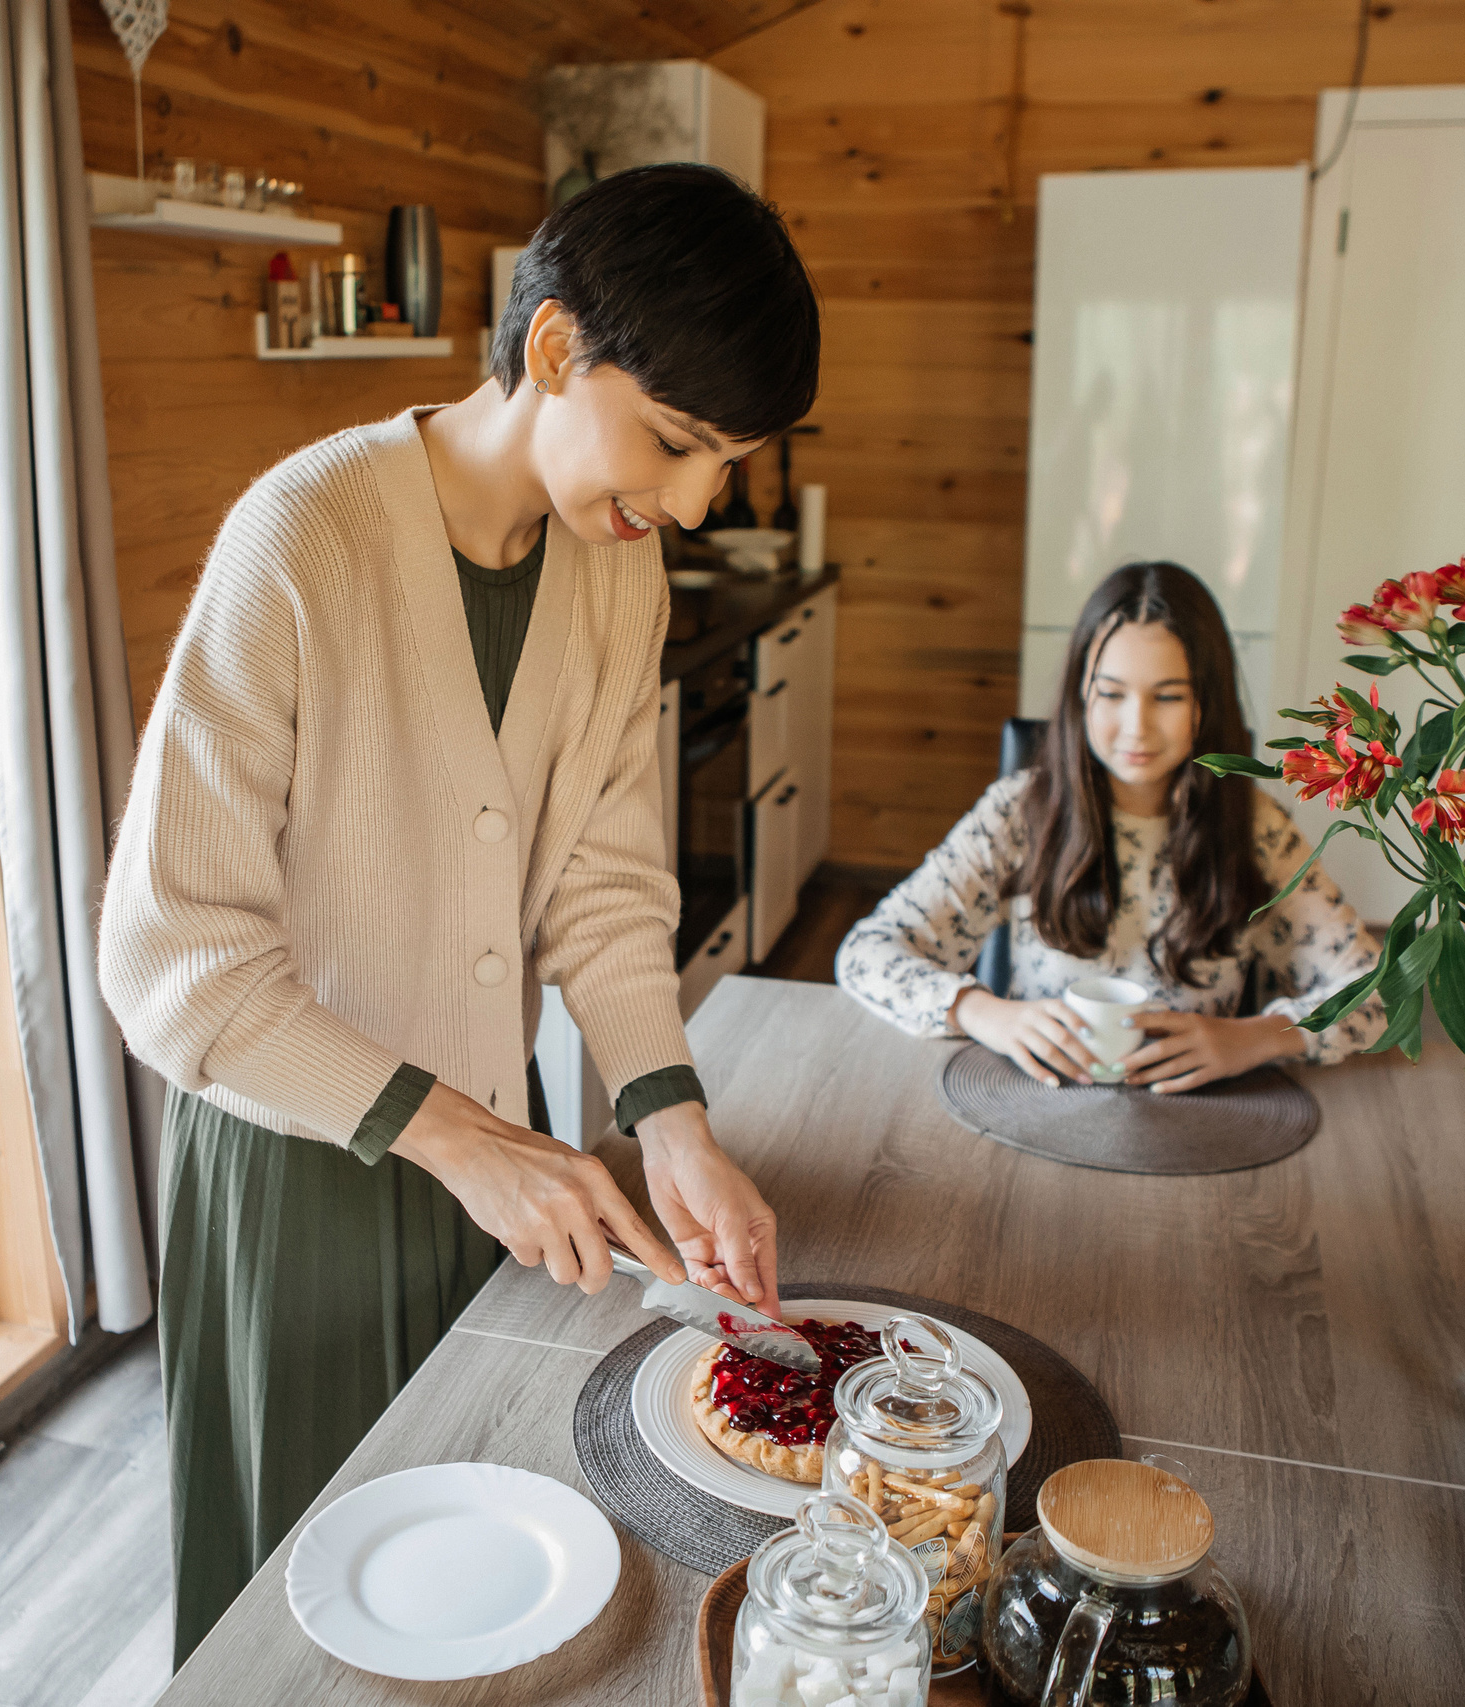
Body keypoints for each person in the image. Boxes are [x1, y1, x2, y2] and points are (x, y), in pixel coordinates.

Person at [98, 163, 816, 1662]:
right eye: (676, 442)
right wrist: (466, 1139)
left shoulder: (616, 577)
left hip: (504, 1154)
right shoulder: (302, 537)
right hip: (302, 1178)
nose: (693, 503)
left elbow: (604, 883)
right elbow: (172, 957)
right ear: (552, 348)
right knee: (308, 1623)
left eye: (727, 464)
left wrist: (672, 1120)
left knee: (473, 1590)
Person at [836, 561, 1384, 1087]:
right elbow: (867, 953)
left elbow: (1378, 993)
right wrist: (983, 1012)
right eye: (1112, 693)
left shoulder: (1254, 828)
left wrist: (1257, 1037)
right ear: (1082, 693)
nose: (1135, 727)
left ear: (1206, 703)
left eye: (1167, 696)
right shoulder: (1018, 812)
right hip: (1033, 1101)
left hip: (1192, 1118)